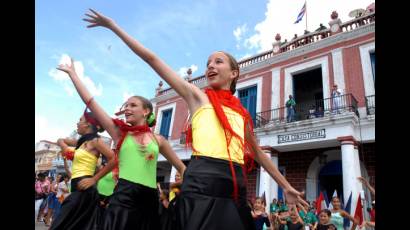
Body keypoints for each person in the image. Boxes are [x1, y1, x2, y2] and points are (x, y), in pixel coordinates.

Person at [83, 8, 308, 230]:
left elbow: (257, 152)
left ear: (233, 73)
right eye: (208, 62)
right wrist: (113, 27)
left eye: (218, 61)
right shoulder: (198, 97)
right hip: (202, 179)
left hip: (234, 185)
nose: (210, 65)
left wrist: (285, 185)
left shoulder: (242, 113)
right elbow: (152, 59)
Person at [56, 55, 186, 230]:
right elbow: (91, 103)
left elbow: (182, 167)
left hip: (149, 199)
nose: (127, 109)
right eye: (126, 105)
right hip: (124, 196)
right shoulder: (120, 135)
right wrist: (73, 75)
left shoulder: (159, 140)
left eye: (133, 105)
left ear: (146, 111)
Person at [50, 109, 116, 230]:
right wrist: (63, 144)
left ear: (88, 124)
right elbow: (62, 141)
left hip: (85, 189)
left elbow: (114, 159)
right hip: (76, 188)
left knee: (58, 225)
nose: (77, 123)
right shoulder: (81, 142)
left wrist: (94, 179)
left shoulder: (95, 141)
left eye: (80, 120)